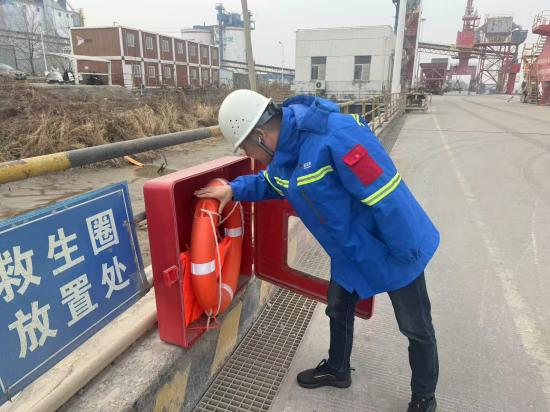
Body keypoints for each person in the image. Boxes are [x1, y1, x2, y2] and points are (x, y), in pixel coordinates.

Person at [195, 89, 440, 412]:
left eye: (246, 148)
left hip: (392, 245)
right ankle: (338, 369)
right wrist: (233, 189)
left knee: (415, 326)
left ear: (260, 135)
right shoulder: (285, 156)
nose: (249, 155)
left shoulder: (338, 136)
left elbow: (386, 193)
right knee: (337, 308)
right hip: (349, 251)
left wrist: (406, 252)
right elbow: (271, 183)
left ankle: (424, 397)